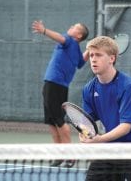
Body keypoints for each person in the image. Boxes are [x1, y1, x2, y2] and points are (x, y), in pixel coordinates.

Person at [80, 36, 131, 181]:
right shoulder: (88, 89)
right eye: (91, 55)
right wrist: (85, 133)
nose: (93, 59)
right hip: (110, 149)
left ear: (111, 59)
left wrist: (99, 140)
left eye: (99, 55)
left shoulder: (128, 86)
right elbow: (86, 121)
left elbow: (125, 127)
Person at [32, 20, 89, 167]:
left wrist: (44, 30)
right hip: (52, 84)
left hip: (55, 85)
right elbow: (81, 63)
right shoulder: (76, 48)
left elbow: (60, 37)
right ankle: (59, 155)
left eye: (73, 27)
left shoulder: (69, 41)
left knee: (59, 120)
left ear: (78, 35)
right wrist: (89, 50)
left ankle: (70, 156)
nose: (70, 27)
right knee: (52, 122)